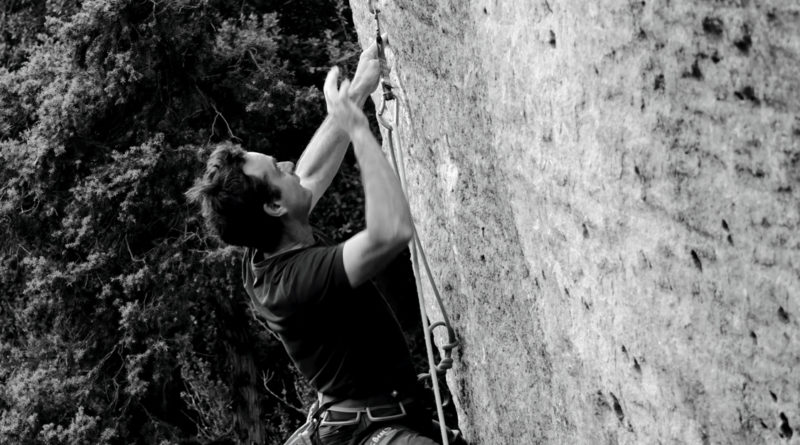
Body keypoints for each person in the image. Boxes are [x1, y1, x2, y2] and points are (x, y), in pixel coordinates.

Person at [188, 39, 463, 445]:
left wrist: (355, 95)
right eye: (277, 170)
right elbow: (390, 232)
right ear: (276, 207)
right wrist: (356, 128)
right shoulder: (297, 280)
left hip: (362, 418)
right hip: (368, 431)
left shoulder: (268, 245)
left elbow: (309, 172)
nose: (287, 165)